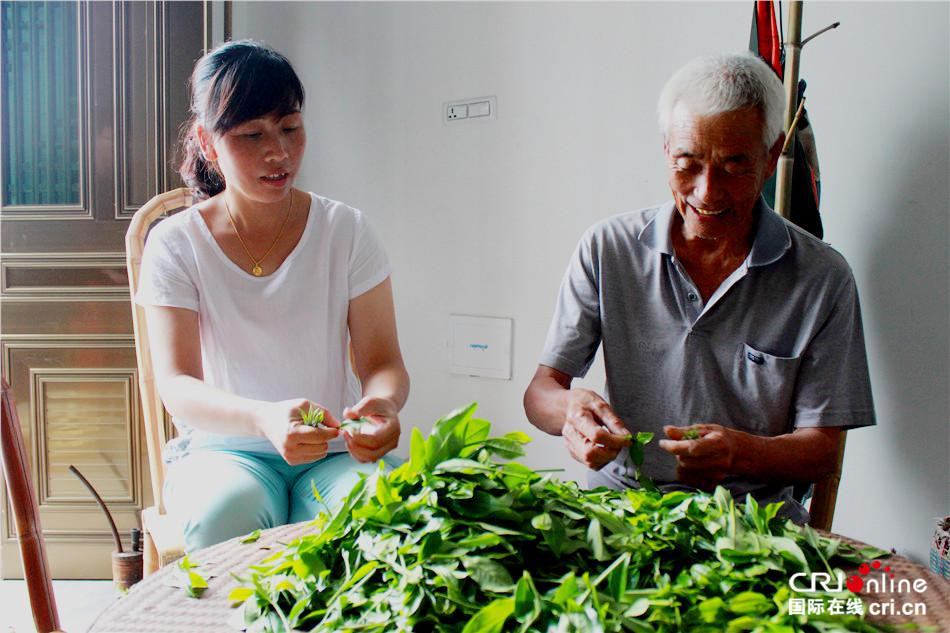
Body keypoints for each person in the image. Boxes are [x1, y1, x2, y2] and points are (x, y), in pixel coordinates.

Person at [523, 52, 875, 523]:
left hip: (753, 523)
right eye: (688, 164)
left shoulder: (821, 277)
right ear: (666, 149)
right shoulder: (608, 248)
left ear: (771, 158)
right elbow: (541, 393)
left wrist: (741, 453)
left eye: (734, 167)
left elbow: (821, 453)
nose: (707, 192)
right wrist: (570, 411)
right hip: (621, 508)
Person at [136, 40, 410, 550]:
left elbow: (383, 361)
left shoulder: (345, 230)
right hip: (225, 453)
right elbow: (176, 384)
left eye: (290, 127)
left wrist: (382, 404)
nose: (279, 152)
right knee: (225, 513)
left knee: (385, 511)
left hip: (333, 451)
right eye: (251, 134)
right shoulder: (176, 243)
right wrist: (262, 419)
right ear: (208, 141)